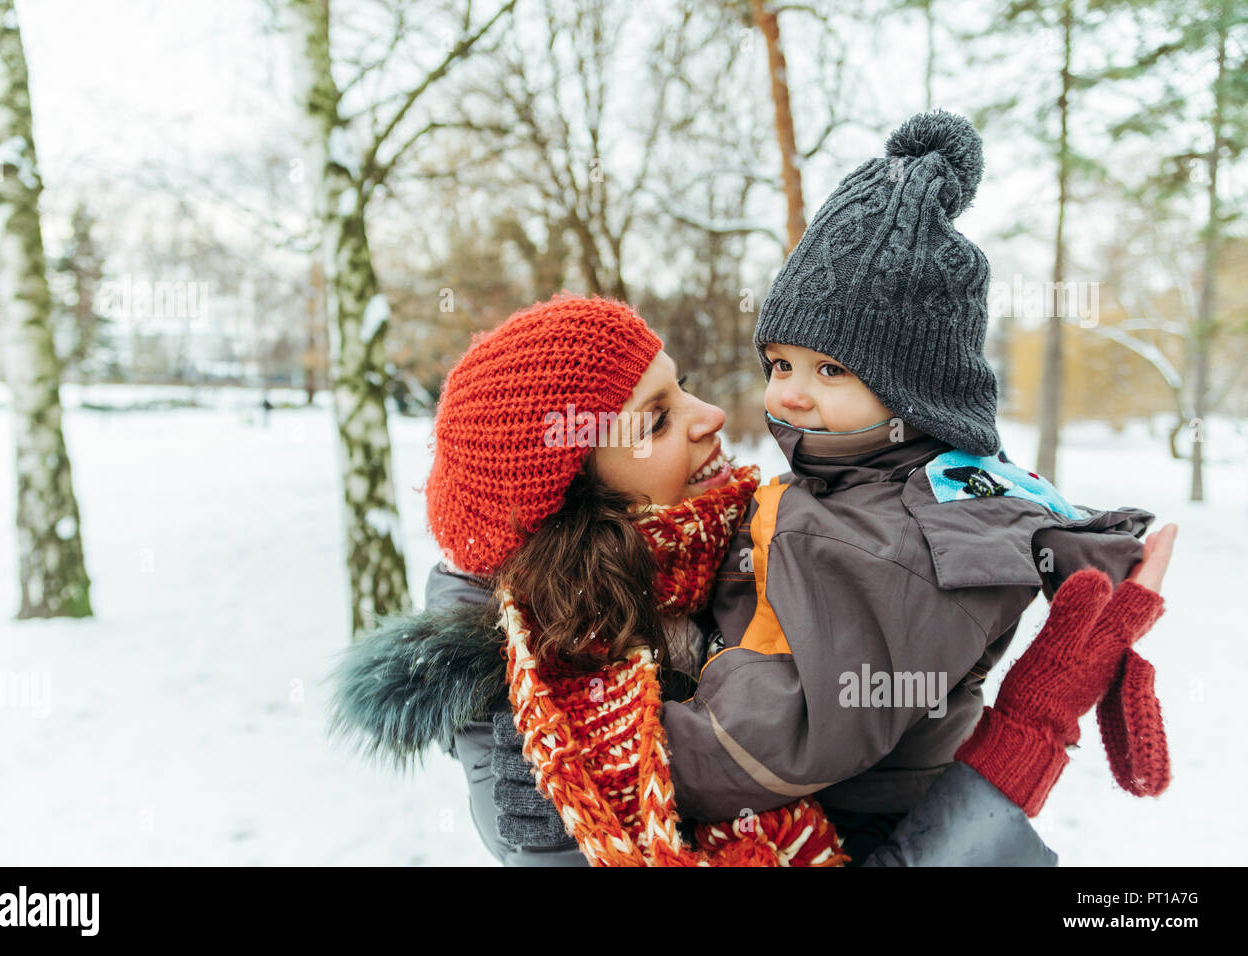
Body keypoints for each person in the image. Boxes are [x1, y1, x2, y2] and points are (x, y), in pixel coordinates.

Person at [329, 294, 1175, 866]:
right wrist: (1028, 728)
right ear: (577, 508)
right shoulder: (543, 754)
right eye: (657, 419)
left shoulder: (718, 561)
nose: (712, 417)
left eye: (682, 385)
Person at [655, 111, 1161, 853]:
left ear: (915, 391)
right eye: (781, 364)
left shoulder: (907, 540)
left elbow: (788, 735)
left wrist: (629, 736)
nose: (789, 394)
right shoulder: (856, 486)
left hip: (856, 828)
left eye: (831, 369)